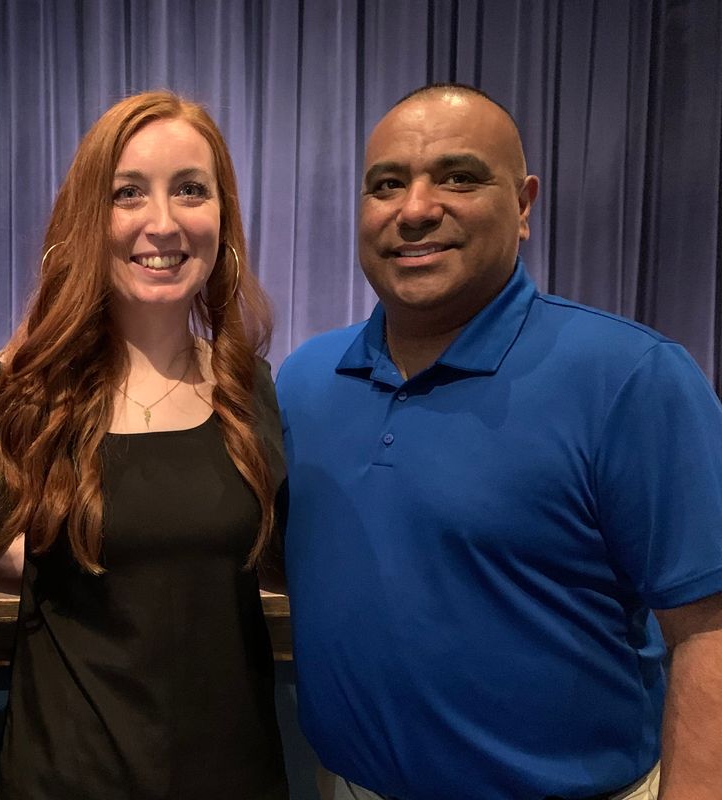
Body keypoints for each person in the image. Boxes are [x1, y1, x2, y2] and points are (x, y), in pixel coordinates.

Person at [277, 82, 722, 800]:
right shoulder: (301, 383)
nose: (416, 210)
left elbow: (710, 630)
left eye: (458, 176)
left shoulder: (632, 378)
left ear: (523, 205)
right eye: (386, 184)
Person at [0, 90, 290, 799]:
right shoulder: (20, 390)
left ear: (224, 216)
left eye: (191, 190)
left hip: (233, 776)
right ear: (91, 217)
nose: (163, 222)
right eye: (128, 193)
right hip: (62, 781)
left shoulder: (251, 387)